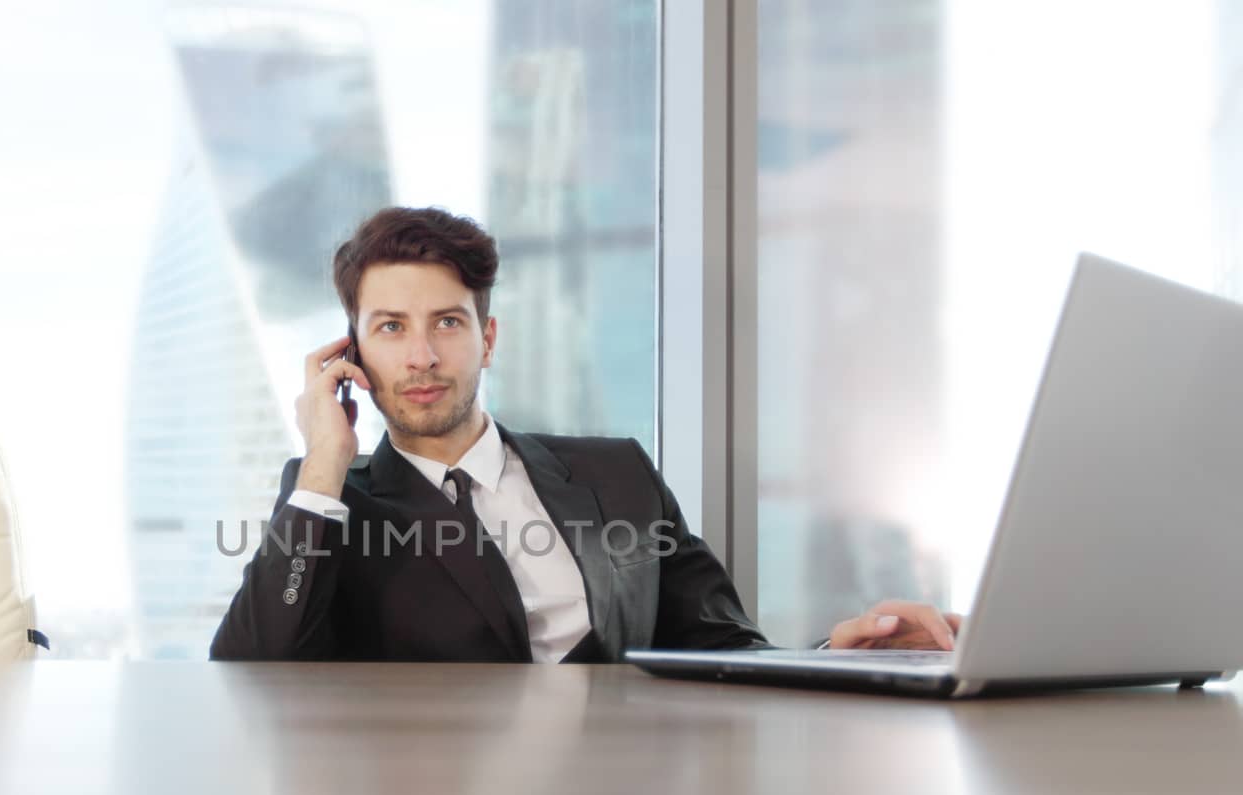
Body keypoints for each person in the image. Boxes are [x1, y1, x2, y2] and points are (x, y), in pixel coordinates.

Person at [210, 206, 958, 662]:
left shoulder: (619, 476)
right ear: (352, 354)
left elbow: (726, 651)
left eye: (447, 322)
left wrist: (838, 658)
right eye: (390, 328)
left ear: (488, 337)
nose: (422, 356)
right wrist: (321, 470)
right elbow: (253, 670)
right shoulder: (331, 503)